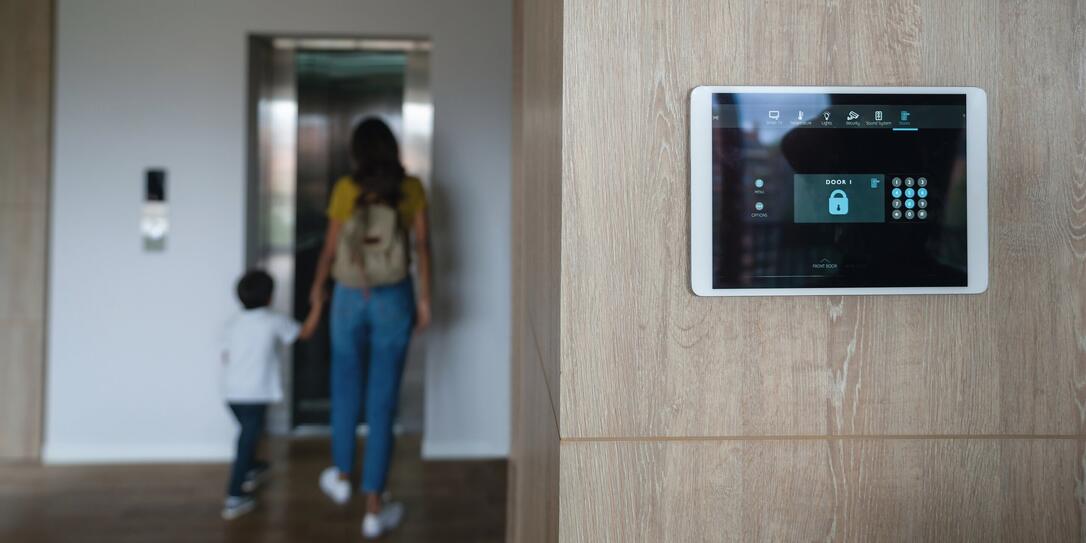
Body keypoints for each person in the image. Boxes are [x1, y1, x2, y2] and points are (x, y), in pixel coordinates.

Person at [308, 117, 431, 539]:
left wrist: (317, 291)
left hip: (348, 294)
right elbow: (422, 247)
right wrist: (425, 300)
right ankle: (374, 507)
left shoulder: (347, 189)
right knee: (383, 401)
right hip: (395, 296)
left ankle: (342, 475)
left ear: (357, 151)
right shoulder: (410, 188)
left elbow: (329, 248)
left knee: (345, 386)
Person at [220, 269, 322, 520]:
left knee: (249, 433)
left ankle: (252, 468)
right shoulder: (273, 320)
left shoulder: (232, 323)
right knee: (246, 440)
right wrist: (318, 304)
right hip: (255, 394)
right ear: (269, 297)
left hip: (232, 394)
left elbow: (225, 356)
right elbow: (305, 332)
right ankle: (234, 496)